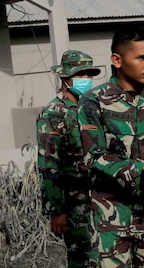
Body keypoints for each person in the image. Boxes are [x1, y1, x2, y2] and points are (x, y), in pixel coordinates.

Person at [78, 24, 144, 267]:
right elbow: (93, 156)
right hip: (113, 221)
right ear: (117, 59)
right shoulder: (94, 101)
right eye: (141, 58)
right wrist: (140, 170)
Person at [36, 50, 102, 268]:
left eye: (89, 74)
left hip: (99, 200)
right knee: (83, 260)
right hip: (75, 205)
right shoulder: (54, 114)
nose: (86, 79)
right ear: (66, 78)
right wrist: (57, 210)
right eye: (80, 74)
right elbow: (49, 164)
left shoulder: (90, 110)